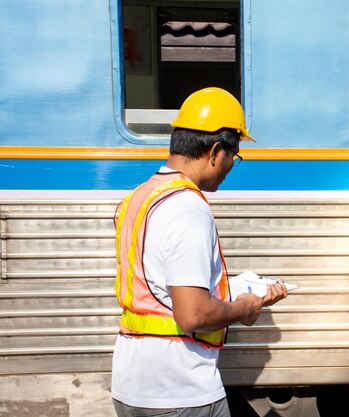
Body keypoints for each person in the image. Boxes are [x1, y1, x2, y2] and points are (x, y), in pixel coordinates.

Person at [111, 87, 288, 417]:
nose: (231, 166)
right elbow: (192, 314)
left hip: (132, 385)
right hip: (179, 390)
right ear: (215, 151)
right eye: (234, 157)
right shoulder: (188, 208)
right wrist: (244, 308)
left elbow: (158, 289)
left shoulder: (139, 196)